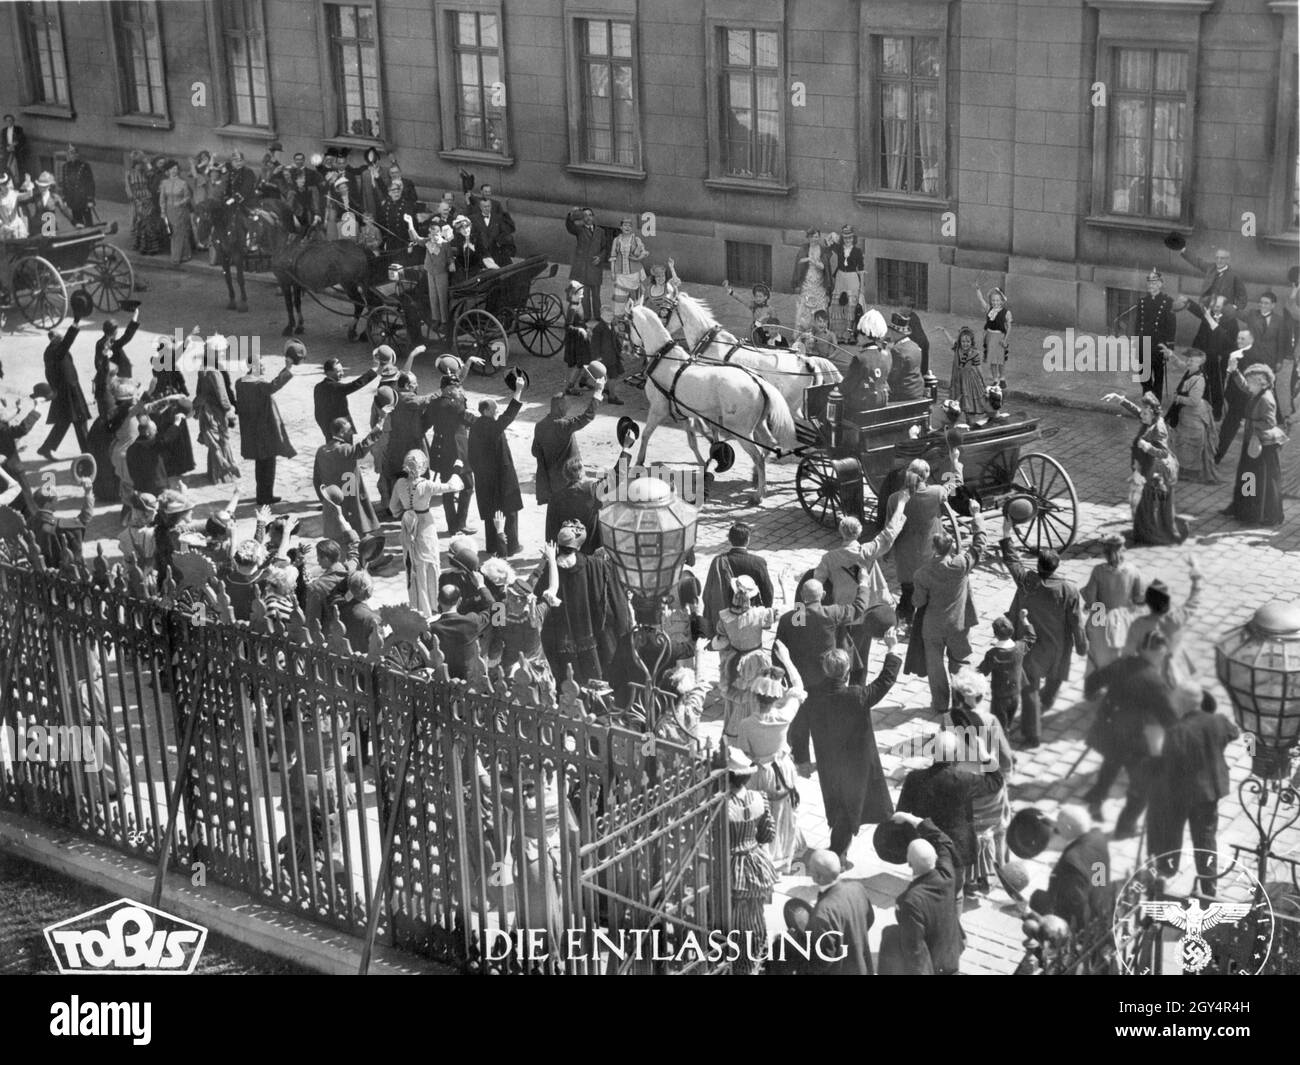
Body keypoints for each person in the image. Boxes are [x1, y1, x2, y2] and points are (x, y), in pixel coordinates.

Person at [791, 640, 901, 865]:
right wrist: (891, 649)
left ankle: (838, 851)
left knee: (839, 806)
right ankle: (837, 855)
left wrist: (803, 760)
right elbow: (885, 680)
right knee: (852, 806)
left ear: (825, 670)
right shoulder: (857, 696)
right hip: (857, 764)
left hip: (829, 763)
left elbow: (799, 730)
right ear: (847, 672)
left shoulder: (811, 698)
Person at [998, 516, 1087, 748]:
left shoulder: (1028, 581)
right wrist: (1081, 645)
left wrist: (1006, 532)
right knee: (1054, 681)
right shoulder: (1069, 590)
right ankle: (1042, 707)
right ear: (1056, 566)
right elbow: (1077, 621)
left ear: (1038, 566)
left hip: (1031, 648)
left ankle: (1032, 733)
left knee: (1030, 691)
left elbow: (1011, 560)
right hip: (1058, 648)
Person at [1082, 631, 1179, 835]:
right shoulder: (1154, 682)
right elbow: (1169, 717)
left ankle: (1095, 800)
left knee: (1111, 762)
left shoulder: (1123, 663)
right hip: (1135, 741)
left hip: (1109, 731)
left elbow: (1093, 681)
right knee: (1142, 787)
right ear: (1151, 652)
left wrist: (1092, 695)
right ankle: (1125, 826)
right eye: (1161, 654)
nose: (1163, 657)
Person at [1148, 683, 1240, 897]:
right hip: (1209, 793)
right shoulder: (1219, 722)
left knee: (1171, 834)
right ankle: (1209, 888)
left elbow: (1162, 761)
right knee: (1205, 840)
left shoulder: (1176, 731)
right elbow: (1234, 733)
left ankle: (1165, 873)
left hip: (1178, 793)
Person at [734, 639, 807, 873]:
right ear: (777, 697)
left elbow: (744, 755)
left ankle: (764, 852)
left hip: (759, 773)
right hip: (782, 769)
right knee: (783, 809)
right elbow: (798, 686)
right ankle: (783, 852)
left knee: (763, 813)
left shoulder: (746, 725)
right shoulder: (785, 715)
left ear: (756, 696)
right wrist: (786, 658)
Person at [912, 510, 989, 717]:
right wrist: (977, 519)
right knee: (960, 662)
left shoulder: (922, 573)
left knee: (935, 667)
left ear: (933, 548)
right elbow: (979, 546)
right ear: (951, 548)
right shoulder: (961, 564)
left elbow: (918, 602)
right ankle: (962, 700)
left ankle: (939, 704)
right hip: (958, 624)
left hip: (933, 627)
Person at [541, 523, 631, 685]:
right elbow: (618, 601)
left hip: (563, 645)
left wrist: (549, 561)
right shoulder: (598, 566)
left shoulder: (550, 571)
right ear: (578, 546)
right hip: (596, 643)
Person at [949, 670, 1013, 895]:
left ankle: (967, 879)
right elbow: (1005, 758)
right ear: (981, 696)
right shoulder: (990, 720)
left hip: (963, 790)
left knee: (964, 832)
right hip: (989, 790)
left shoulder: (949, 720)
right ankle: (995, 873)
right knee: (997, 829)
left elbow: (943, 753)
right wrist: (1005, 777)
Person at [897, 731, 980, 899]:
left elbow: (901, 814)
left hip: (926, 849)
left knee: (925, 895)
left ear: (933, 751)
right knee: (955, 896)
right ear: (956, 755)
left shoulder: (914, 778)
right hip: (955, 850)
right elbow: (969, 817)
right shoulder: (965, 781)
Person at [1101, 390, 1187, 545]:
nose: (1142, 415)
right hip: (1147, 466)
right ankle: (1145, 530)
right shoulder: (1149, 418)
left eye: (1146, 413)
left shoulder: (1158, 428)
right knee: (1144, 502)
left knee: (1149, 502)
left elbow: (1163, 453)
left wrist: (1147, 447)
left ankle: (1151, 532)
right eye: (1144, 412)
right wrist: (1120, 399)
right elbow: (1138, 411)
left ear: (1153, 414)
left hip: (1156, 470)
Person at [389, 449, 463, 616]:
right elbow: (452, 486)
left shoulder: (400, 484)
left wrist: (407, 513)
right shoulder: (427, 485)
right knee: (429, 564)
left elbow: (393, 508)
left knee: (412, 565)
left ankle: (417, 605)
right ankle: (434, 605)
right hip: (425, 526)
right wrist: (456, 469)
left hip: (408, 526)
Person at [724, 748, 778, 975]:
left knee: (734, 917)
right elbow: (768, 835)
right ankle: (754, 956)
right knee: (754, 913)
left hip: (732, 867)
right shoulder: (759, 798)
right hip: (755, 864)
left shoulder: (722, 805)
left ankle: (736, 962)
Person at [891, 812, 964, 975]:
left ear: (909, 863)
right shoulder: (947, 873)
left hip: (934, 965)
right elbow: (943, 841)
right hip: (952, 952)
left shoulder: (908, 901)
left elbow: (915, 951)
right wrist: (913, 819)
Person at [776, 572, 869, 696]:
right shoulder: (832, 613)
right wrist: (863, 584)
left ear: (802, 595)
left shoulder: (790, 618)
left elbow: (778, 649)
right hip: (826, 677)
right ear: (823, 595)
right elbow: (858, 608)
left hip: (800, 677)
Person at [885, 458, 953, 628]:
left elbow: (889, 528)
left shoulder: (894, 499)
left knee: (908, 591)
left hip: (906, 556)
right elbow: (953, 486)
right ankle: (923, 622)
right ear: (927, 475)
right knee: (928, 591)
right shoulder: (937, 492)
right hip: (930, 552)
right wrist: (954, 462)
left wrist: (886, 552)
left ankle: (904, 619)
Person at [712, 575, 780, 742]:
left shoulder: (724, 617)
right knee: (756, 697)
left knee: (734, 700)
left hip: (734, 660)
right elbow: (781, 613)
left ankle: (732, 734)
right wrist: (784, 586)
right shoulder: (759, 614)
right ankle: (753, 736)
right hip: (756, 662)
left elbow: (721, 638)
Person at [314, 417, 386, 570]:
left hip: (333, 497)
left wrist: (324, 499)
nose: (351, 432)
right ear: (340, 432)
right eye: (348, 429)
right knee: (361, 528)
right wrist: (378, 427)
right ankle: (369, 560)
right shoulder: (344, 449)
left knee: (342, 530)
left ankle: (357, 560)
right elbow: (362, 448)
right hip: (351, 496)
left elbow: (316, 478)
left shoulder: (321, 452)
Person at [1123, 557, 1204, 690]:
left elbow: (1128, 654)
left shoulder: (1138, 625)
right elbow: (1194, 599)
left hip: (1149, 677)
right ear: (1167, 603)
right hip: (1178, 673)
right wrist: (1196, 573)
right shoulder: (1176, 619)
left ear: (1148, 603)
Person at [467, 378, 525, 557]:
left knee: (491, 512)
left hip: (485, 479)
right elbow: (508, 415)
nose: (496, 412)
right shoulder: (491, 426)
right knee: (510, 511)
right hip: (501, 477)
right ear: (485, 410)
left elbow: (472, 456)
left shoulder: (476, 426)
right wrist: (518, 391)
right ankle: (512, 545)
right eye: (494, 409)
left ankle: (492, 545)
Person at [1225, 358, 1286, 526]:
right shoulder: (1258, 391)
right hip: (1253, 441)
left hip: (1262, 447)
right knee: (1247, 475)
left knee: (1254, 478)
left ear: (1261, 383)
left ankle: (1257, 513)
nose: (1248, 386)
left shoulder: (1266, 399)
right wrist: (1235, 372)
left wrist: (1250, 423)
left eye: (1251, 382)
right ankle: (1244, 508)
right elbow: (1245, 386)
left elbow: (1270, 423)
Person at [236, 350, 297, 506]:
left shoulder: (240, 382)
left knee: (260, 463)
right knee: (268, 464)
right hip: (265, 429)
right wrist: (287, 369)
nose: (264, 368)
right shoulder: (258, 384)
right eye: (261, 366)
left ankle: (261, 494)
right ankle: (265, 496)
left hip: (251, 430)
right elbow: (273, 386)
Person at [1079, 532, 1144, 676]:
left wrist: (1094, 617)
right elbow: (1139, 598)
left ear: (1105, 553)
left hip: (1103, 617)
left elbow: (1091, 598)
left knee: (1098, 654)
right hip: (1126, 618)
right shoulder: (1133, 570)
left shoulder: (1099, 571)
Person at [803, 850, 875, 975]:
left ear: (818, 877)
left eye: (810, 869)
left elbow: (821, 961)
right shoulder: (858, 888)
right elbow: (869, 919)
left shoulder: (822, 914)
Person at [701, 522, 774, 638]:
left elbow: (708, 593)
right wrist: (764, 612)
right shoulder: (758, 562)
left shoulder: (718, 561)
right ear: (748, 540)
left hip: (726, 616)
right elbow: (768, 591)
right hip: (750, 614)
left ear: (729, 540)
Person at [431, 371, 479, 536]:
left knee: (447, 489)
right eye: (456, 386)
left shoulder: (435, 403)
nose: (459, 388)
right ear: (449, 388)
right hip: (459, 451)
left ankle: (452, 525)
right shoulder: (456, 403)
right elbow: (467, 418)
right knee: (468, 486)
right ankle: (460, 523)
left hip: (441, 449)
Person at [1177, 293, 1239, 420]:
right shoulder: (1208, 315)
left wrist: (1224, 355)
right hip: (1203, 356)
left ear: (1225, 307)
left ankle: (1216, 413)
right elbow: (1199, 311)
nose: (1216, 308)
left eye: (1219, 306)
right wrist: (1188, 300)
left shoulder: (1231, 322)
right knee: (1197, 380)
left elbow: (1233, 344)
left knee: (1217, 385)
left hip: (1218, 359)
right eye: (1215, 305)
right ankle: (1193, 407)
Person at [531, 390, 598, 506]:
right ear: (560, 406)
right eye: (567, 404)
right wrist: (598, 392)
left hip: (552, 484)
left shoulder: (540, 426)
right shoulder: (564, 425)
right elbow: (588, 416)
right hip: (569, 481)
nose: (569, 407)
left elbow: (535, 451)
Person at [39, 316, 90, 458]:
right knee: (80, 420)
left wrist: (54, 388)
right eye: (60, 336)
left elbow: (49, 372)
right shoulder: (57, 350)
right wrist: (75, 323)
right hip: (69, 391)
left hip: (65, 389)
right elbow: (68, 340)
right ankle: (88, 453)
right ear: (54, 338)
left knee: (64, 421)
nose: (62, 338)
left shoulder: (51, 350)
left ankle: (46, 448)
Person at [1166, 348, 1220, 484]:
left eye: (1192, 361)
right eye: (1188, 360)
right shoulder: (1192, 370)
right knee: (1184, 443)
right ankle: (1184, 471)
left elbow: (1194, 401)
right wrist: (1171, 355)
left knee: (1191, 443)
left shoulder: (1199, 379)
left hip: (1193, 415)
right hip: (1187, 414)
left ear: (1199, 364)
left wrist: (1178, 398)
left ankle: (1192, 473)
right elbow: (1181, 364)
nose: (1188, 362)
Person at [977, 611, 1036, 732]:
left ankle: (1000, 747)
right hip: (1015, 694)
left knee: (998, 727)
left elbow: (983, 671)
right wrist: (1024, 619)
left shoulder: (993, 654)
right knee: (1008, 723)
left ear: (995, 634)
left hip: (1000, 697)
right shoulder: (1020, 647)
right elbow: (1031, 636)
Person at [1124, 268, 1177, 400]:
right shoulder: (1142, 301)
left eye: (1154, 283)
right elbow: (1138, 323)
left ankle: (1156, 400)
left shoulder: (1168, 302)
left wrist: (1169, 347)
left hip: (1159, 344)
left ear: (1160, 284)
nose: (1151, 285)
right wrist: (1135, 341)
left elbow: (1171, 326)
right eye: (1149, 283)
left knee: (1158, 374)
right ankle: (1147, 394)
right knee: (1143, 373)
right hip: (1144, 342)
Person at [193, 335, 240, 484]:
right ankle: (224, 474)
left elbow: (199, 391)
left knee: (214, 443)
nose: (222, 354)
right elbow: (222, 394)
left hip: (206, 411)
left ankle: (214, 473)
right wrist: (229, 409)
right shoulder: (214, 372)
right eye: (220, 352)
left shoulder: (203, 369)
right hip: (216, 412)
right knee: (221, 441)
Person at [428, 583, 493, 683]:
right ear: (459, 601)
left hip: (443, 681)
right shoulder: (472, 621)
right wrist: (481, 585)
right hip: (469, 681)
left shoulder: (431, 628)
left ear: (439, 601)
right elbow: (497, 607)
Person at [28, 478, 95, 568]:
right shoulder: (58, 526)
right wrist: (88, 493)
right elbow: (84, 518)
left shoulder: (30, 522)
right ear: (47, 504)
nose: (58, 502)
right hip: (60, 574)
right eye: (56, 499)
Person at [408, 215, 453, 338]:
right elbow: (416, 238)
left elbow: (449, 257)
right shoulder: (427, 242)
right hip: (430, 272)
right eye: (432, 234)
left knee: (442, 297)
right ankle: (435, 319)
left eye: (437, 233)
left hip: (441, 273)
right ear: (430, 233)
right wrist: (410, 223)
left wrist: (452, 264)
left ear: (440, 232)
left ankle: (444, 321)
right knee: (433, 296)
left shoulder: (445, 244)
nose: (435, 236)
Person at [313, 357, 377, 440]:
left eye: (342, 370)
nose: (342, 373)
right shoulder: (335, 387)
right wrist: (374, 371)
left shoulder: (318, 387)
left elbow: (318, 413)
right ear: (329, 372)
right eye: (339, 371)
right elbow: (355, 385)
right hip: (342, 430)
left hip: (328, 430)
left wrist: (325, 430)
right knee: (347, 451)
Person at [92, 308, 140, 417]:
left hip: (107, 379)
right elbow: (127, 336)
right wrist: (135, 316)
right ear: (114, 331)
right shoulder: (111, 344)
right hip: (117, 380)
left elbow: (97, 363)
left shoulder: (100, 343)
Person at [545, 457, 600, 552]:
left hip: (568, 551)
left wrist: (552, 553)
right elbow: (617, 477)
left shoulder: (555, 497)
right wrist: (625, 448)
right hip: (591, 550)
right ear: (581, 474)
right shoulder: (592, 490)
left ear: (566, 475)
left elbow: (551, 530)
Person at [564, 206, 604, 321]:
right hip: (584, 268)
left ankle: (598, 316)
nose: (588, 218)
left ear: (593, 217)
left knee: (596, 295)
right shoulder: (579, 230)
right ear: (582, 218)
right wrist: (571, 214)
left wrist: (600, 258)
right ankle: (586, 316)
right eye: (585, 215)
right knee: (585, 294)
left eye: (590, 215)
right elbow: (569, 226)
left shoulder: (601, 232)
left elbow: (605, 248)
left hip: (595, 267)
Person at [941, 325, 988, 421]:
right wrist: (944, 331)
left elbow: (979, 368)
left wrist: (983, 382)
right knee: (957, 399)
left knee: (968, 401)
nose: (965, 344)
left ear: (971, 342)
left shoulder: (974, 353)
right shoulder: (957, 349)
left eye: (968, 342)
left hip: (969, 380)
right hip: (957, 379)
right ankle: (956, 419)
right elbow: (951, 341)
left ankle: (969, 419)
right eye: (963, 341)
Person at [1179, 245, 1248, 311]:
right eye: (1217, 258)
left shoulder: (1234, 275)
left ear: (1228, 259)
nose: (1219, 260)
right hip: (1207, 309)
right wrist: (1183, 250)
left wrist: (1233, 308)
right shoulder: (1211, 268)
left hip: (1223, 312)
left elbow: (1243, 297)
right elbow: (1198, 262)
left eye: (1222, 258)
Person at [792, 228, 834, 332]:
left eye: (816, 236)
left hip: (819, 280)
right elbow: (799, 261)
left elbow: (824, 266)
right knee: (805, 305)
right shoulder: (804, 248)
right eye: (812, 237)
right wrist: (809, 259)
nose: (815, 239)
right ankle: (803, 329)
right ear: (809, 237)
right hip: (807, 278)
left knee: (819, 305)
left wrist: (816, 262)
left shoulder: (823, 249)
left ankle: (819, 329)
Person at [125, 151, 164, 255]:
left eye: (140, 164)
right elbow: (128, 188)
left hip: (147, 198)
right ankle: (140, 245)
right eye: (137, 164)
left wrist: (146, 161)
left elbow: (152, 172)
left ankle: (150, 247)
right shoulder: (129, 173)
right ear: (134, 164)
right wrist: (134, 200)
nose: (139, 166)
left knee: (148, 222)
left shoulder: (145, 173)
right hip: (137, 200)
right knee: (140, 222)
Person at [974, 284, 1013, 387]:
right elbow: (981, 299)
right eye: (993, 300)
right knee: (992, 359)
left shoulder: (1006, 313)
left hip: (1000, 337)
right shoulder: (989, 309)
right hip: (990, 336)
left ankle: (1002, 378)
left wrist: (1005, 339)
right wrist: (978, 289)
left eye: (997, 300)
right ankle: (995, 378)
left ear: (1002, 301)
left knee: (1000, 360)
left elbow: (1009, 327)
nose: (995, 302)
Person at [608, 216, 647, 318]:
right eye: (625, 225)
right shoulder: (616, 240)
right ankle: (619, 322)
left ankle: (635, 320)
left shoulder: (637, 240)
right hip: (620, 274)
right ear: (621, 227)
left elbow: (643, 253)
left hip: (634, 274)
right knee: (620, 300)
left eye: (630, 225)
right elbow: (613, 256)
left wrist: (638, 258)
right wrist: (612, 272)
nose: (627, 227)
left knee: (636, 299)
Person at [337, 569, 383, 654]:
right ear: (369, 592)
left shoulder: (339, 609)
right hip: (364, 664)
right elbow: (379, 649)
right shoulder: (373, 619)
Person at [158, 159, 192, 265]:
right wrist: (163, 211)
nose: (174, 171)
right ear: (168, 171)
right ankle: (186, 254)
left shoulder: (183, 183)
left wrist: (181, 203)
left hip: (180, 210)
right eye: (172, 169)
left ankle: (176, 257)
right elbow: (162, 198)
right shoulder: (164, 183)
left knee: (178, 232)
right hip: (169, 210)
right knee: (172, 232)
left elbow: (188, 197)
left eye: (176, 169)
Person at [469, 190, 515, 266]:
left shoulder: (498, 218)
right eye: (484, 207)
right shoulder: (473, 219)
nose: (487, 208)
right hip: (481, 254)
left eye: (488, 206)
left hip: (496, 252)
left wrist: (499, 242)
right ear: (480, 207)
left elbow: (506, 231)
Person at [887, 312, 926, 400]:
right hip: (918, 391)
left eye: (891, 331)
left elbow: (892, 378)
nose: (890, 334)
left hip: (903, 394)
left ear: (896, 333)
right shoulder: (915, 346)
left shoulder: (897, 350)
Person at [60, 144, 96, 227]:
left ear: (77, 154)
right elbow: (65, 184)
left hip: (83, 200)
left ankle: (90, 238)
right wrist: (65, 199)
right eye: (68, 153)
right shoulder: (65, 167)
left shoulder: (84, 166)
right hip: (73, 200)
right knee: (78, 222)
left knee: (88, 222)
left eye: (72, 153)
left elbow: (90, 183)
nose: (70, 155)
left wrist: (90, 200)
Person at [2, 115, 28, 184]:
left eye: (10, 120)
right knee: (8, 168)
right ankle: (10, 184)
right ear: (5, 122)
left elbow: (21, 140)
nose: (9, 122)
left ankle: (20, 185)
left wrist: (14, 146)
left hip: (17, 152)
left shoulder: (18, 129)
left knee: (18, 169)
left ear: (13, 121)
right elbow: (3, 142)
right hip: (8, 152)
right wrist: (7, 148)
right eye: (7, 121)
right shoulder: (4, 130)